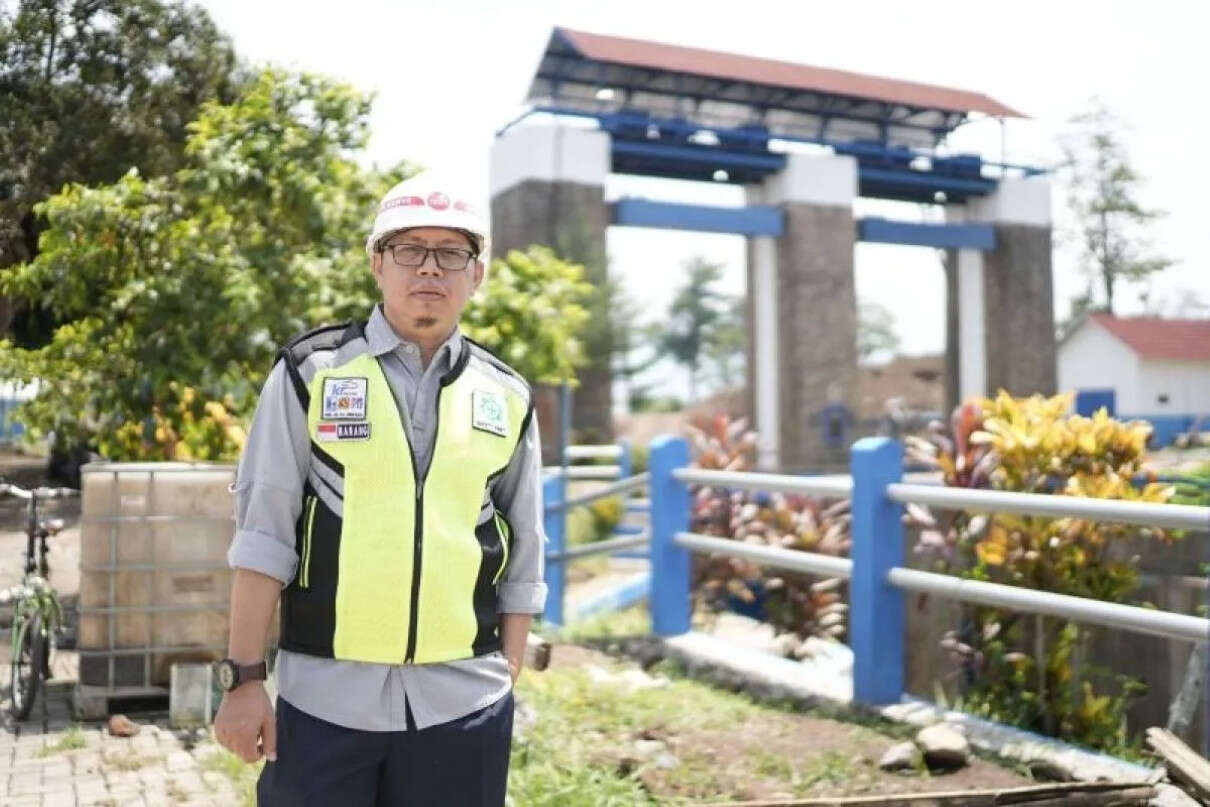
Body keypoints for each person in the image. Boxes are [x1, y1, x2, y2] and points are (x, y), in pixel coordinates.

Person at [213, 172, 548, 806]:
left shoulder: (506, 394)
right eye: (409, 249)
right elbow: (263, 536)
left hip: (464, 703)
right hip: (323, 700)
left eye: (452, 253)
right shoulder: (310, 372)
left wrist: (506, 668)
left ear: (477, 273)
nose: (430, 269)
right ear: (377, 263)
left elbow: (526, 539)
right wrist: (244, 679)